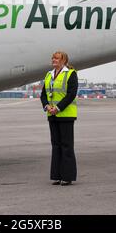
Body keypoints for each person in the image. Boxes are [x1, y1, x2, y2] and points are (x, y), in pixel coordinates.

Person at [41, 51, 78, 186]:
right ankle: (56, 175)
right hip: (52, 115)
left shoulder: (70, 74)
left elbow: (71, 94)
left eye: (56, 58)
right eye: (53, 58)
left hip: (66, 115)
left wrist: (58, 108)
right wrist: (46, 106)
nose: (53, 60)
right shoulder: (49, 75)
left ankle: (67, 176)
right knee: (56, 145)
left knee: (66, 146)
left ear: (63, 60)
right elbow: (43, 94)